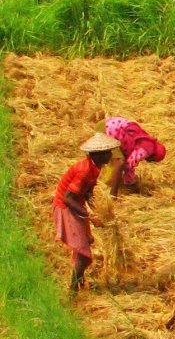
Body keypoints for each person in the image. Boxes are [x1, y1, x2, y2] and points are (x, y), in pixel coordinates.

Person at [53, 132, 120, 291]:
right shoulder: (84, 170)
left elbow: (88, 193)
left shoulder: (95, 168)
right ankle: (73, 290)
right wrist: (89, 216)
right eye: (108, 152)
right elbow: (68, 198)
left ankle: (78, 279)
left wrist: (100, 212)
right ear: (98, 154)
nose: (111, 155)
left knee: (85, 243)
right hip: (65, 208)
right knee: (83, 252)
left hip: (76, 204)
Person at [96, 117, 166, 197]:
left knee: (112, 160)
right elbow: (130, 163)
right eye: (152, 160)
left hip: (105, 123)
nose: (149, 161)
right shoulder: (147, 148)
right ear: (153, 156)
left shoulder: (147, 140)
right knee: (119, 162)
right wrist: (130, 182)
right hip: (110, 130)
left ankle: (105, 182)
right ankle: (112, 194)